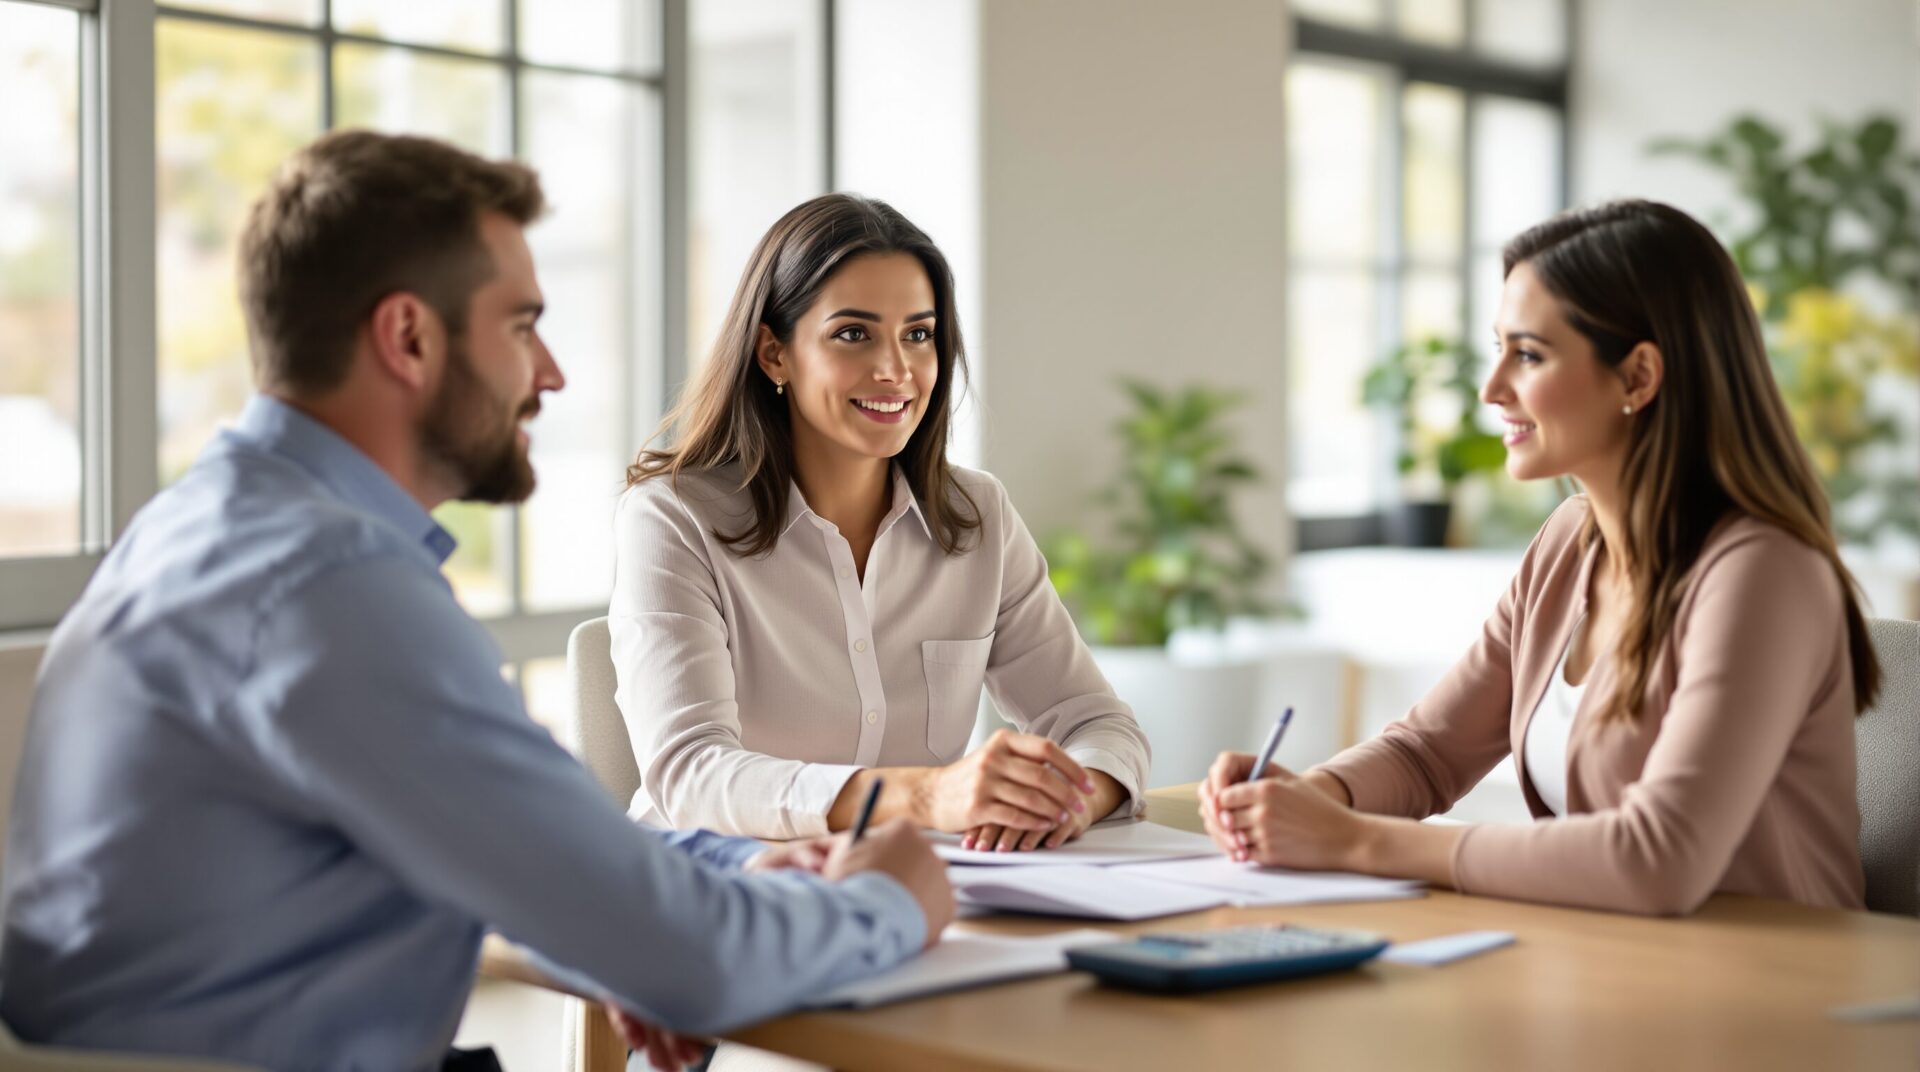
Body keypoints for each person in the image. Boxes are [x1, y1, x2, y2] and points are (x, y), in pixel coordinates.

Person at [0, 131, 953, 1071]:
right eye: (520, 326)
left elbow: (525, 836)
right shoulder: (327, 587)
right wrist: (890, 901)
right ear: (409, 338)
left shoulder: (212, 529)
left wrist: (706, 889)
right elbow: (697, 964)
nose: (550, 373)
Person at [1200, 199, 1877, 916]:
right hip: (1610, 959)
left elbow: (1660, 859)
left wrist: (1354, 841)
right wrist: (1312, 796)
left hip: (1773, 974)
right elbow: (1429, 752)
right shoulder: (1568, 543)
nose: (1492, 389)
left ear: (1638, 377)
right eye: (1498, 349)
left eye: (1527, 355)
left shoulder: (1763, 572)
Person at [613, 194, 1151, 854]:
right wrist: (924, 796)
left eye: (918, 335)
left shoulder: (977, 516)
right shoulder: (673, 517)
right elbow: (689, 773)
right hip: (719, 877)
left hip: (916, 880)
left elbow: (1095, 722)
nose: (895, 369)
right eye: (853, 334)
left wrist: (1063, 802)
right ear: (774, 354)